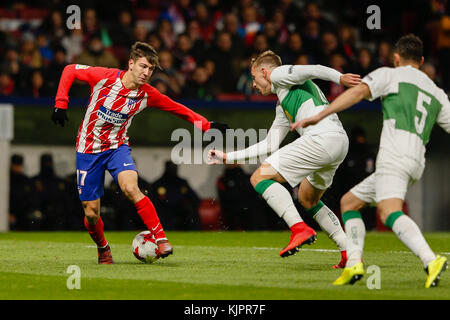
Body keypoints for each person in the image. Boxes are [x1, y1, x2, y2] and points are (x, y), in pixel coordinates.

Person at [292, 34, 449, 288]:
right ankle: (354, 262)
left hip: (394, 156)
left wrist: (320, 115)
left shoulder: (389, 74)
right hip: (416, 162)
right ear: (420, 60)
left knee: (389, 212)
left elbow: (357, 93)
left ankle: (431, 259)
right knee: (350, 202)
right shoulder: (436, 91)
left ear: (396, 58)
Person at [51, 41, 227, 264]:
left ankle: (161, 238)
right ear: (131, 64)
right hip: (88, 149)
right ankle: (103, 248)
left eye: (151, 69)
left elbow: (176, 108)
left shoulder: (147, 94)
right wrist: (60, 103)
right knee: (91, 213)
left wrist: (206, 125)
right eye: (143, 66)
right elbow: (69, 70)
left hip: (117, 147)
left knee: (130, 187)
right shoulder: (104, 77)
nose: (146, 73)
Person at [208, 50, 361, 268]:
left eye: (253, 78)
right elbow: (269, 145)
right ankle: (349, 252)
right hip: (338, 143)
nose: (253, 84)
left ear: (264, 71)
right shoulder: (282, 102)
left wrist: (340, 78)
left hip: (321, 139)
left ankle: (299, 228)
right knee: (308, 199)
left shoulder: (279, 74)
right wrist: (227, 157)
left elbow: (314, 69)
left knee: (259, 178)